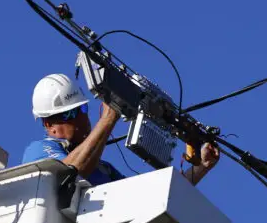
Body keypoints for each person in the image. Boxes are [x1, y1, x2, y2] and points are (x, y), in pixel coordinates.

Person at [21, 73, 219, 185]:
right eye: (71, 114)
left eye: (82, 108)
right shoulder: (39, 150)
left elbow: (152, 199)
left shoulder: (102, 168)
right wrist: (108, 119)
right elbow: (68, 174)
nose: (82, 118)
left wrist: (202, 167)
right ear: (49, 125)